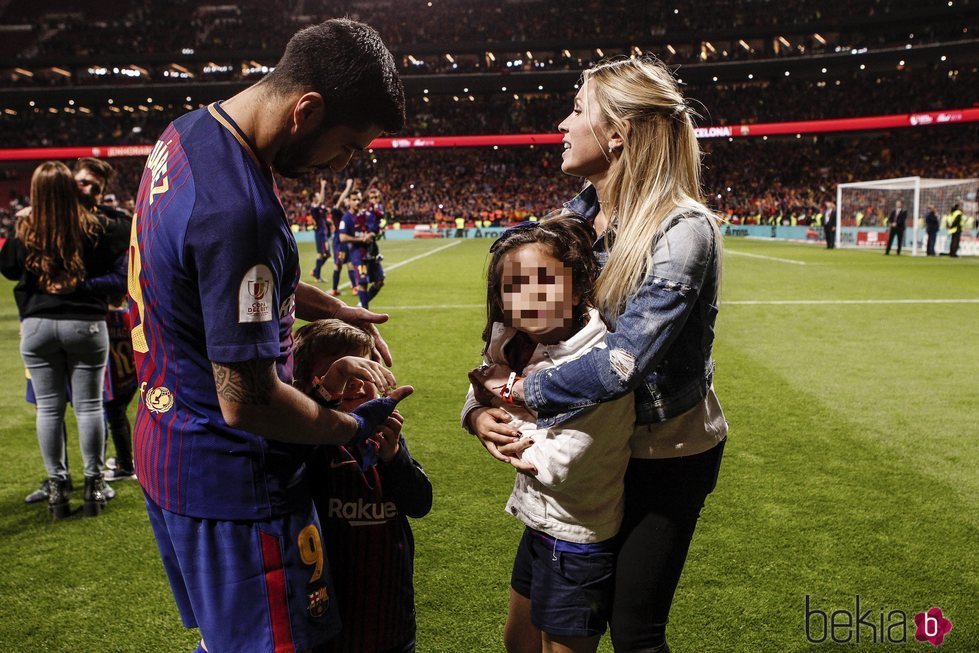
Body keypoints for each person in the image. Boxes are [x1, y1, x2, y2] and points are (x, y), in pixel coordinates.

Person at [128, 19, 412, 653]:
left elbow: (199, 281)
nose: (345, 163)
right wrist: (351, 427)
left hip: (167, 447)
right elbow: (248, 399)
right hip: (234, 480)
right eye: (348, 145)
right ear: (305, 111)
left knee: (225, 641)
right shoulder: (240, 211)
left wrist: (320, 302)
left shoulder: (187, 134)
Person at [468, 57, 728, 653]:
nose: (563, 122)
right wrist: (479, 409)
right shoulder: (574, 221)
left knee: (634, 633)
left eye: (578, 109)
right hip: (591, 448)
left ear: (618, 133)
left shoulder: (682, 230)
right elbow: (520, 329)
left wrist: (518, 397)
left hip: (663, 451)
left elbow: (623, 362)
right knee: (535, 623)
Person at [463, 216, 636, 653]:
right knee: (517, 642)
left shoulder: (598, 363)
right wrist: (478, 418)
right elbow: (477, 391)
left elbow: (552, 464)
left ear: (576, 289)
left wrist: (501, 404)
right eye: (513, 286)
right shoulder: (523, 342)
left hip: (578, 540)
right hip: (538, 525)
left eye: (544, 281)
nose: (529, 296)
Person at [292, 319, 432, 653]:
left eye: (363, 370)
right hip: (331, 620)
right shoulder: (307, 445)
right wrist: (323, 404)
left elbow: (419, 503)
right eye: (340, 373)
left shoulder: (384, 440)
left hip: (392, 619)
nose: (355, 384)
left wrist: (395, 455)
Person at [1, 161, 129, 519]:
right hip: (85, 323)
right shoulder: (94, 225)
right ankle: (94, 486)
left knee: (49, 408)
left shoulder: (27, 225)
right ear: (72, 188)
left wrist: (21, 222)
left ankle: (58, 488)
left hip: (38, 324)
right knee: (89, 406)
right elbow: (125, 230)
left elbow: (9, 268)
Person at [338, 189, 378, 309]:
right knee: (363, 282)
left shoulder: (364, 216)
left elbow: (373, 229)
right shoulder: (346, 218)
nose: (357, 202)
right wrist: (361, 240)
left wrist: (370, 235)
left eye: (359, 199)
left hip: (369, 254)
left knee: (379, 280)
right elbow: (342, 237)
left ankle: (363, 308)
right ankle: (365, 314)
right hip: (357, 256)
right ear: (349, 202)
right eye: (354, 200)